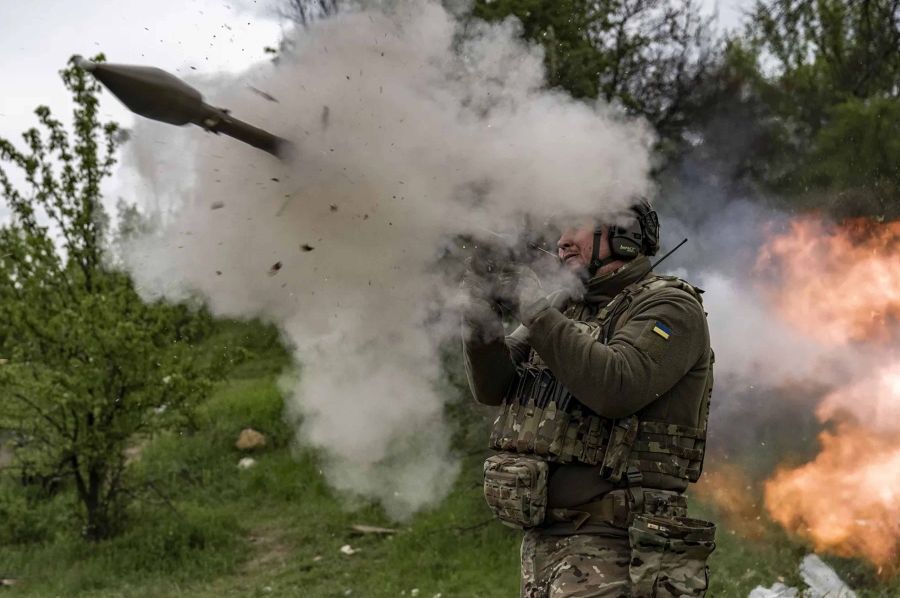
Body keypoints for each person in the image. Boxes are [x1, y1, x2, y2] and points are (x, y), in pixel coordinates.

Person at [461, 202, 716, 598]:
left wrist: (532, 302)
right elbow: (494, 386)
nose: (561, 243)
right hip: (547, 543)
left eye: (573, 227)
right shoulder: (566, 306)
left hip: (620, 546)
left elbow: (616, 387)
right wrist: (480, 314)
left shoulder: (670, 306)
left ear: (623, 233)